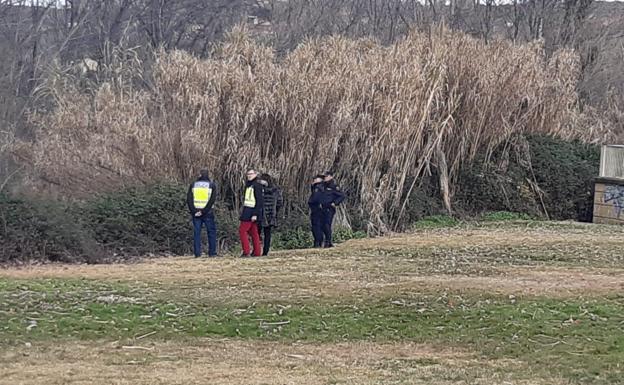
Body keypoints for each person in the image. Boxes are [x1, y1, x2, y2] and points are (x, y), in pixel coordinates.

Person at [186, 169, 217, 257]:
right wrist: (203, 211)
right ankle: (212, 253)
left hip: (195, 212)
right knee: (211, 232)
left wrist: (194, 211)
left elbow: (189, 199)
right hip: (208, 212)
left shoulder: (193, 184)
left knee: (197, 233)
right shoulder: (211, 185)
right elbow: (212, 200)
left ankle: (197, 253)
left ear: (199, 175)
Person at [239, 169, 264, 257]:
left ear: (255, 174)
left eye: (251, 174)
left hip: (251, 212)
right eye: (248, 174)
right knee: (253, 232)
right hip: (247, 210)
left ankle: (246, 251)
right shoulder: (249, 185)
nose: (249, 175)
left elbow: (259, 201)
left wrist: (255, 214)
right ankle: (257, 252)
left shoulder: (257, 185)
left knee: (242, 231)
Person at [258, 173, 283, 256]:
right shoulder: (275, 190)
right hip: (271, 214)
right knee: (267, 234)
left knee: (257, 232)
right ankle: (265, 251)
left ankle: (257, 249)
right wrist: (275, 211)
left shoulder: (260, 190)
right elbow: (280, 202)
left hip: (261, 213)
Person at [320, 171, 345, 248]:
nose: (324, 178)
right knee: (322, 225)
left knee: (327, 225)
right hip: (321, 208)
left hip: (329, 208)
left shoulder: (334, 186)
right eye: (324, 177)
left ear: (331, 176)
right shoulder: (322, 186)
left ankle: (328, 242)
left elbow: (342, 196)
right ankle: (327, 241)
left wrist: (335, 203)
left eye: (326, 176)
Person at [308, 174, 326, 248]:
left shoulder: (318, 187)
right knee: (318, 226)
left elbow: (315, 199)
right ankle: (319, 241)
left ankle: (318, 242)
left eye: (316, 179)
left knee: (317, 226)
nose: (314, 180)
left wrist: (311, 202)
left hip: (317, 209)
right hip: (319, 209)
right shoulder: (319, 187)